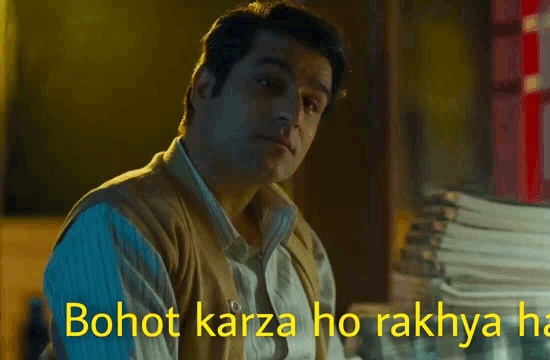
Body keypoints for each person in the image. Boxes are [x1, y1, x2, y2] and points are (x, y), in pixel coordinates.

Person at [39, 2, 359, 359]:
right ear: (204, 88)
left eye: (312, 102)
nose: (293, 114)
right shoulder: (119, 226)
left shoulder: (300, 243)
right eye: (269, 83)